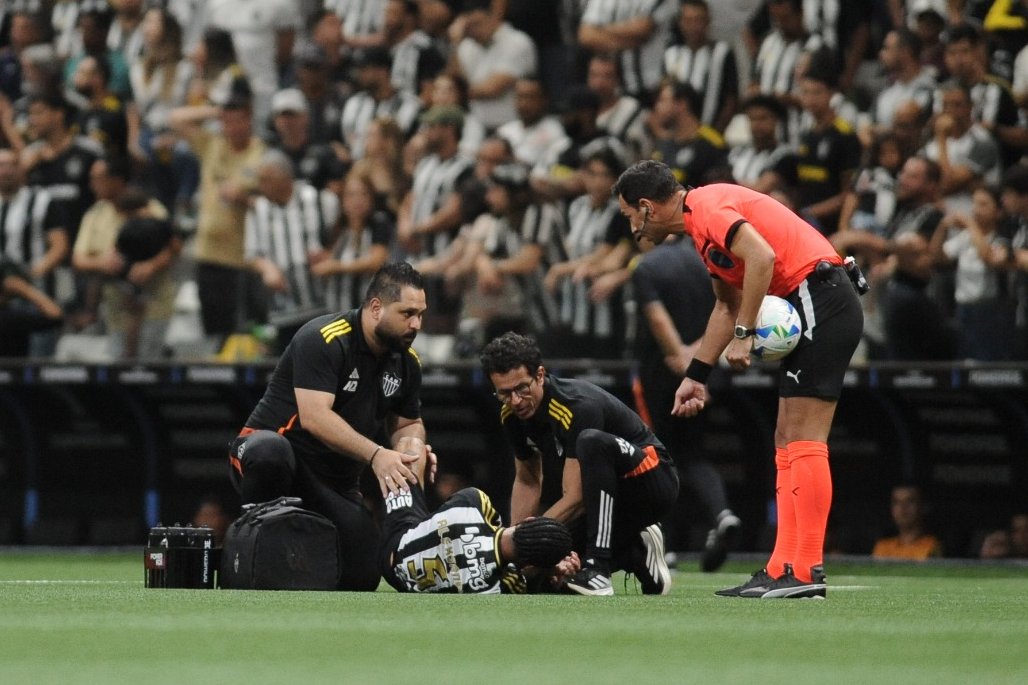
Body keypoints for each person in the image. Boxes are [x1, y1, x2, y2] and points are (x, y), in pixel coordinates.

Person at [613, 160, 864, 599]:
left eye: (629, 215)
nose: (631, 228)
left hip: (821, 299)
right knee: (786, 439)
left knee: (803, 439)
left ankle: (805, 570)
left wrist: (746, 335)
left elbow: (762, 256)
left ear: (647, 207)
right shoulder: (700, 227)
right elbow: (725, 308)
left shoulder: (707, 206)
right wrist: (697, 375)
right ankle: (782, 566)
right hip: (812, 303)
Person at [227, 262, 433, 591]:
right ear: (376, 307)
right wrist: (378, 455)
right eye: (407, 313)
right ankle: (251, 549)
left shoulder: (407, 363)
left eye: (420, 314)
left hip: (332, 482)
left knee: (363, 576)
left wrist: (411, 449)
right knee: (271, 453)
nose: (416, 324)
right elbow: (315, 417)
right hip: (270, 459)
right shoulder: (325, 338)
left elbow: (408, 423)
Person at [480, 331, 680, 596]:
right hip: (607, 499)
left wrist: (521, 540)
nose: (516, 401)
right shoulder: (511, 416)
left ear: (540, 375)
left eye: (522, 389)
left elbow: (575, 498)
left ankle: (599, 569)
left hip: (654, 479)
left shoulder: (576, 406)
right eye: (504, 393)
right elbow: (527, 479)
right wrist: (521, 554)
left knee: (591, 442)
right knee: (543, 580)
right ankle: (637, 552)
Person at [631, 235, 741, 572]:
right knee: (693, 454)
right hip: (708, 373)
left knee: (657, 458)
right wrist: (701, 359)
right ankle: (721, 515)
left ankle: (666, 546)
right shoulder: (708, 260)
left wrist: (681, 356)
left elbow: (659, 322)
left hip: (662, 379)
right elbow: (731, 306)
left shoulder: (648, 267)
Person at [381, 436, 580, 594]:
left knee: (411, 444)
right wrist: (550, 571)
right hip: (401, 582)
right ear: (529, 563)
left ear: (528, 520)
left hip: (399, 538)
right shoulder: (502, 584)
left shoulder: (474, 502)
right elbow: (529, 581)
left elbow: (439, 520)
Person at [871, 484, 942, 560]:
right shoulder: (882, 547)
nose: (902, 508)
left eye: (910, 501)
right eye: (896, 502)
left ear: (922, 507)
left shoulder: (932, 546)